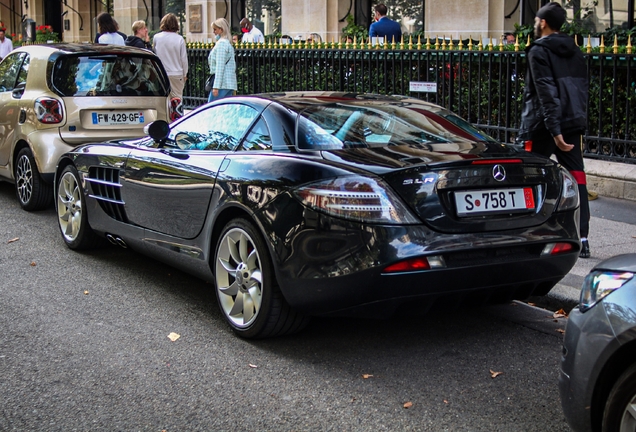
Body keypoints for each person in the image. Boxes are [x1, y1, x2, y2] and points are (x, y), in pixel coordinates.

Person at [518, 2, 591, 258]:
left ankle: (527, 230)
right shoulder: (575, 49)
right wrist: (575, 124)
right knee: (577, 176)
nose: (535, 23)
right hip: (572, 121)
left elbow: (545, 91)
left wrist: (555, 130)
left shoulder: (538, 51)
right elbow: (581, 88)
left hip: (543, 125)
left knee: (530, 176)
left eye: (537, 19)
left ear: (544, 22)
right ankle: (582, 236)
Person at [153, 13, 188, 99]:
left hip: (162, 73)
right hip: (177, 73)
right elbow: (183, 59)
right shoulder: (179, 39)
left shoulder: (156, 37)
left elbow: (155, 55)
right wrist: (185, 74)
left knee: (164, 99)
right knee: (177, 99)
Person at [207, 18, 237, 102]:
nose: (214, 32)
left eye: (215, 29)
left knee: (211, 108)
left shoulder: (221, 44)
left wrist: (216, 87)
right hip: (228, 83)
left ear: (221, 29)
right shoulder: (227, 43)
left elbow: (220, 67)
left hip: (222, 84)